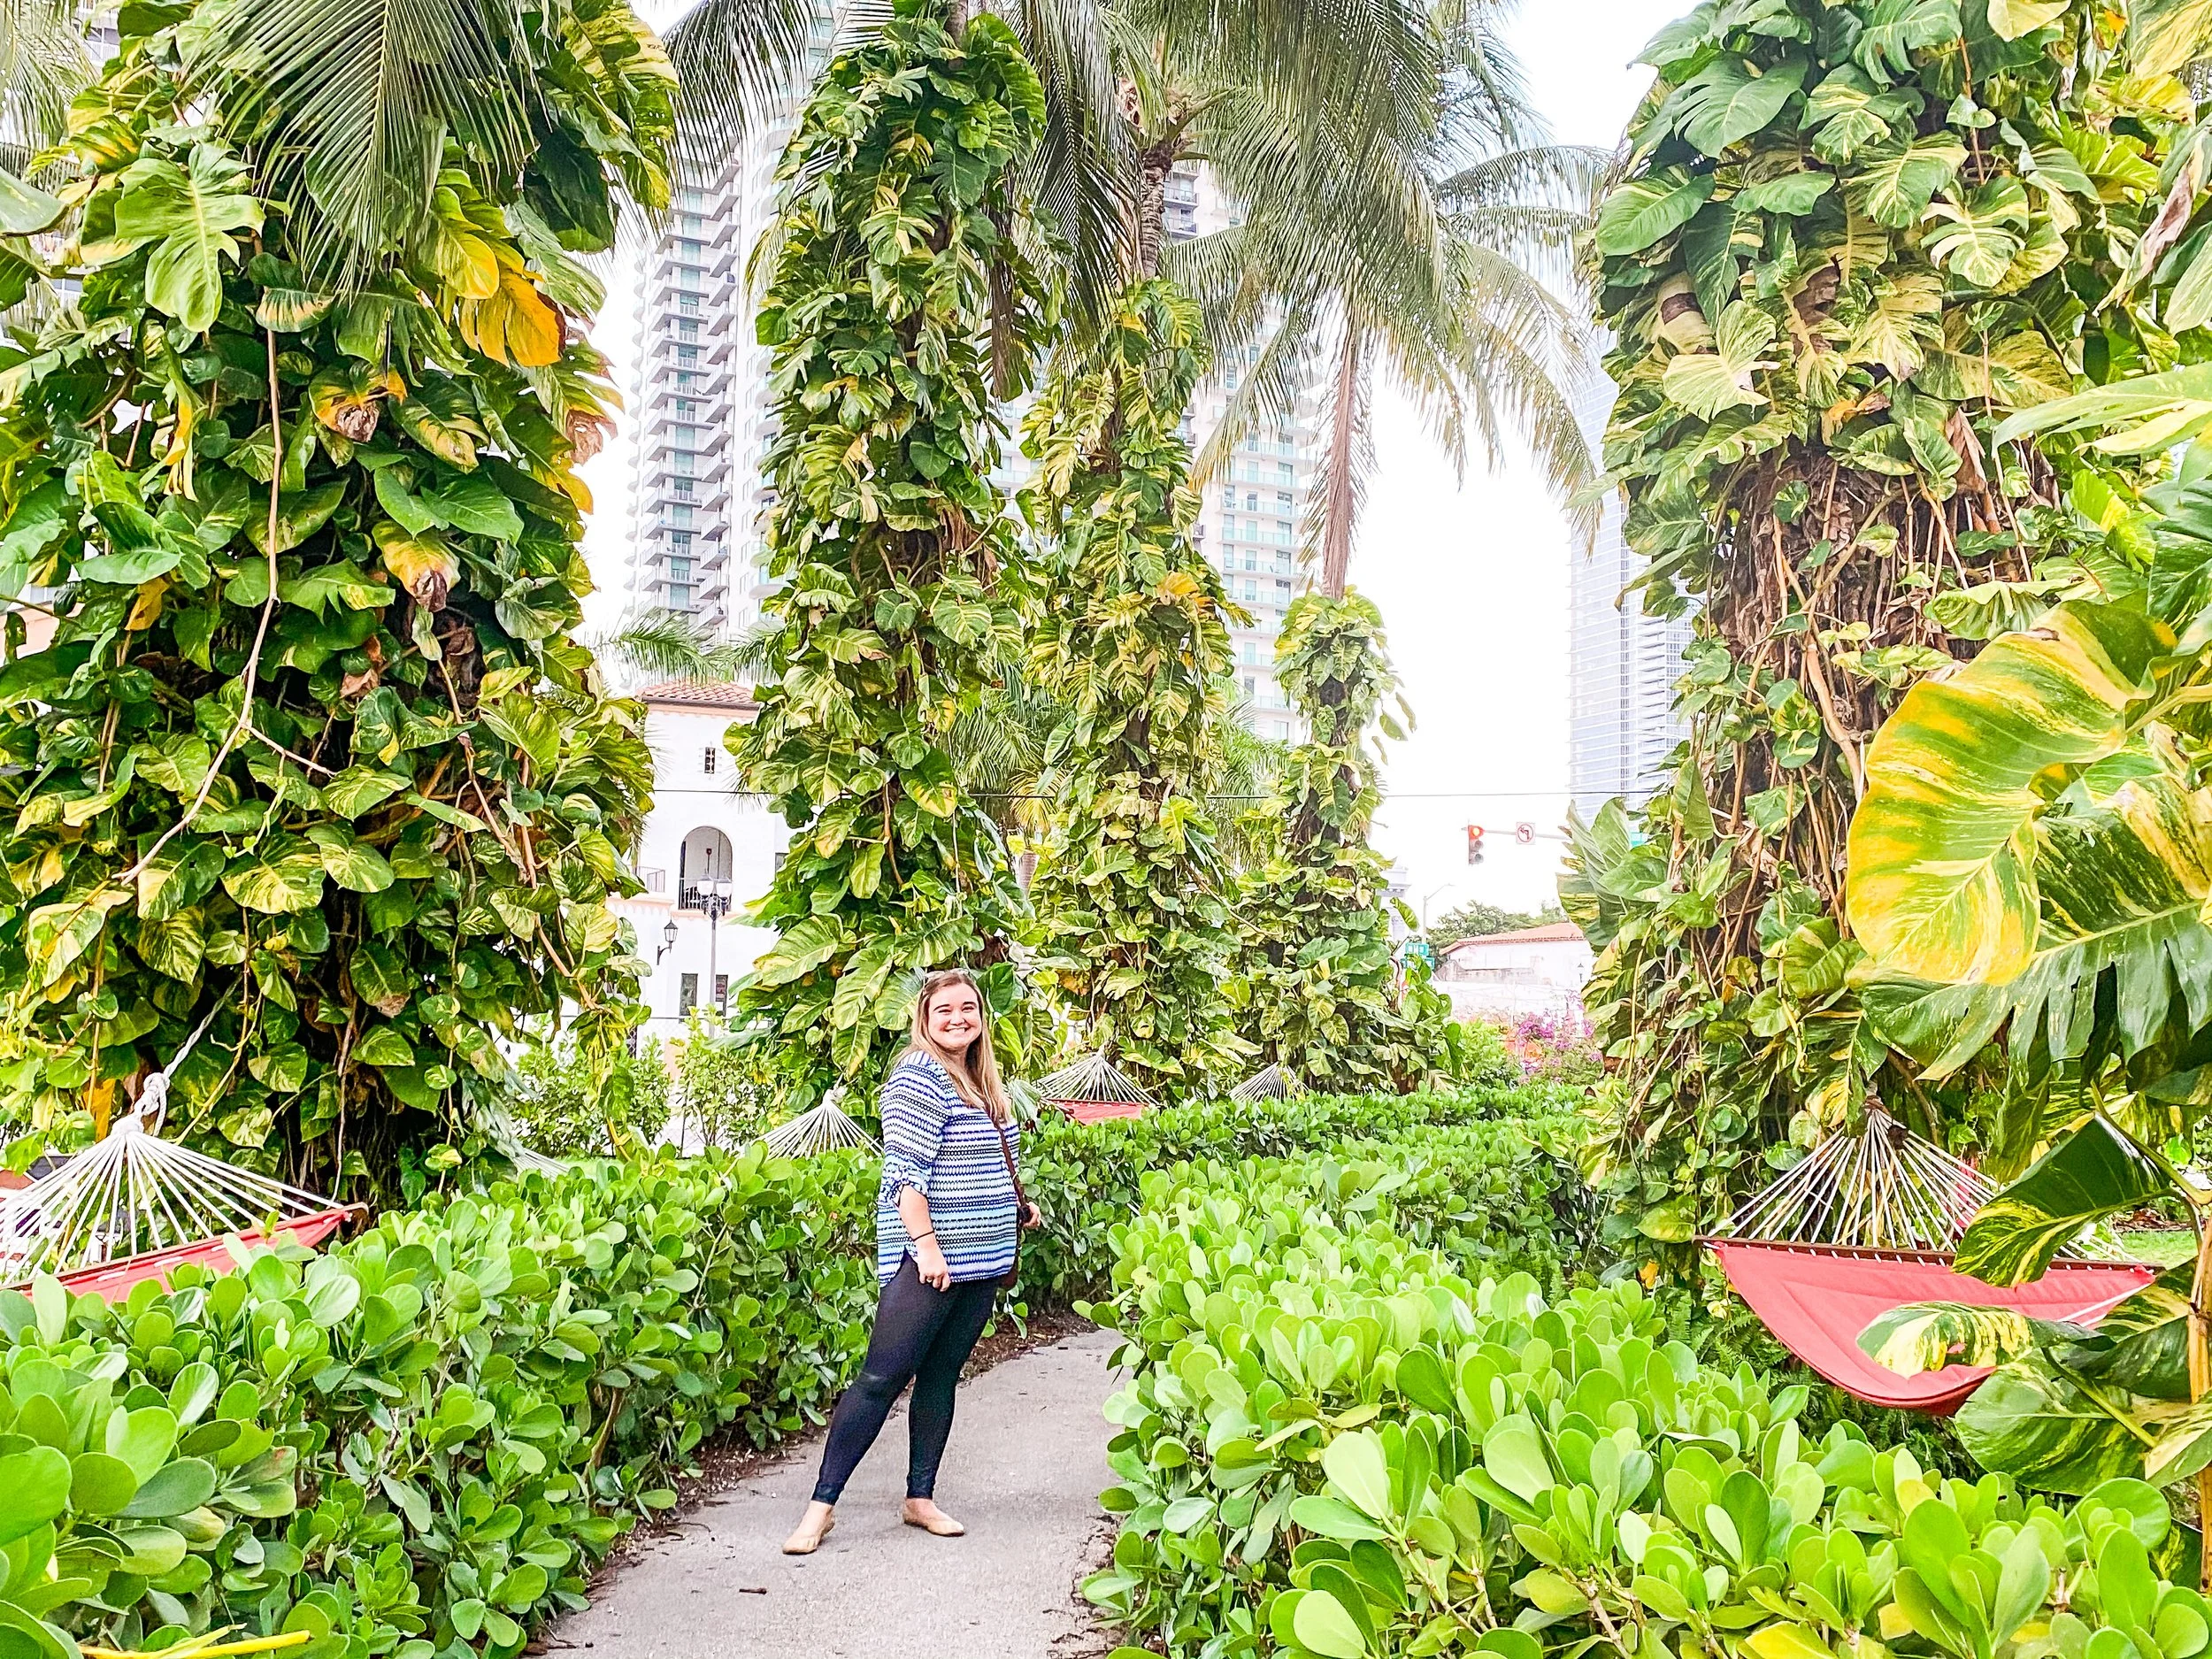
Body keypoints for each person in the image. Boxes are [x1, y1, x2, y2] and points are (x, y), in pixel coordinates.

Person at [781, 967, 1041, 1555]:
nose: (958, 1018)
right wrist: (926, 1246)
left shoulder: (981, 1080)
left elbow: (980, 1162)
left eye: (968, 1007)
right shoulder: (919, 1076)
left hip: (983, 1259)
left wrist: (1020, 1206)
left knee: (942, 1375)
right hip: (933, 1260)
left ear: (981, 1016)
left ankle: (919, 1497)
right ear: (924, 1019)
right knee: (880, 1377)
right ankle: (819, 1509)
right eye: (944, 1009)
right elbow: (904, 1174)